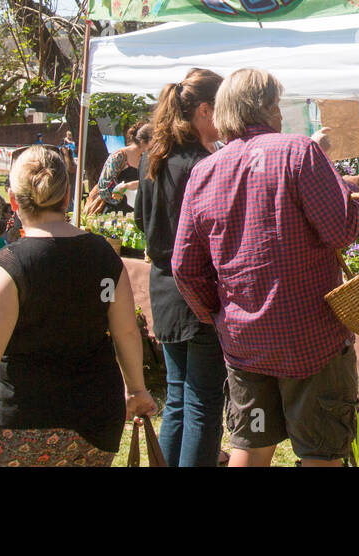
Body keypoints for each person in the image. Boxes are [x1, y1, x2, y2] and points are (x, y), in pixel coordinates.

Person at [173, 68, 359, 467]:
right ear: (267, 107)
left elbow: (184, 267)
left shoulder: (204, 172)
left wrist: (218, 314)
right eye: (277, 104)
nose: (280, 113)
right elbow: (343, 230)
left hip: (245, 342)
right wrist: (345, 188)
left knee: (250, 446)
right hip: (311, 338)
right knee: (321, 452)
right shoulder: (299, 152)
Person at [0, 146, 157, 466]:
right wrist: (136, 390)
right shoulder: (103, 257)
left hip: (23, 426)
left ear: (12, 200)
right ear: (67, 198)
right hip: (96, 423)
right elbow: (126, 333)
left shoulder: (10, 265)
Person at [134, 71, 230, 467]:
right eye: (221, 110)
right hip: (197, 290)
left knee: (179, 398)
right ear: (204, 111)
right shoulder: (204, 164)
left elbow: (141, 220)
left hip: (166, 288)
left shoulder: (152, 159)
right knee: (202, 403)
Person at [95, 122, 152, 214]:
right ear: (143, 141)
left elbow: (150, 181)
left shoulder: (148, 158)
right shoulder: (119, 156)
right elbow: (104, 185)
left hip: (139, 209)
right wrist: (120, 192)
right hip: (115, 211)